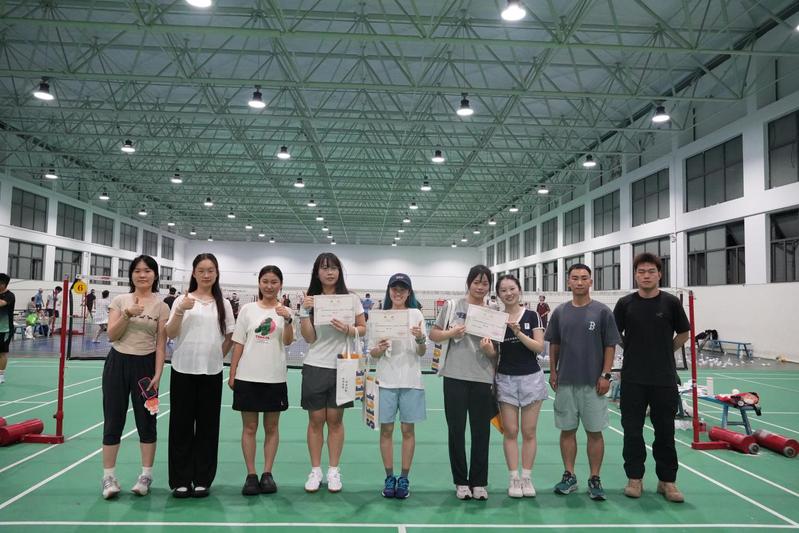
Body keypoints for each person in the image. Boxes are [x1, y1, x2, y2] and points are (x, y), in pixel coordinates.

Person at [613, 253, 690, 503]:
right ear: (635, 275)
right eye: (641, 271)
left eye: (651, 271)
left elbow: (684, 333)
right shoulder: (625, 304)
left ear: (659, 274)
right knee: (632, 432)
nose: (646, 276)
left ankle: (667, 481)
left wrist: (666, 350)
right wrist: (631, 347)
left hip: (664, 379)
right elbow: (614, 333)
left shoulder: (670, 303)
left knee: (665, 432)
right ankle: (634, 478)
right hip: (633, 378)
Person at [545, 263, 620, 501]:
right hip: (566, 382)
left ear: (590, 282)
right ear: (568, 282)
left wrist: (606, 375)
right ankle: (569, 475)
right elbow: (554, 344)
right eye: (575, 278)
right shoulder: (560, 312)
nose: (579, 282)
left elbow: (610, 345)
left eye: (584, 278)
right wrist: (553, 372)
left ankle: (594, 478)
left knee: (594, 432)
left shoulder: (602, 312)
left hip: (593, 384)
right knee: (567, 431)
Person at [166, 253, 235, 498]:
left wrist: (217, 356)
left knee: (208, 427)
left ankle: (203, 479)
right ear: (194, 273)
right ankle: (181, 480)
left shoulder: (223, 303)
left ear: (216, 274)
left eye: (211, 270)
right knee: (180, 426)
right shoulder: (181, 300)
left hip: (211, 373)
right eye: (202, 270)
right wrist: (180, 311)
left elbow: (230, 336)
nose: (206, 275)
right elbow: (170, 333)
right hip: (182, 370)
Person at [100, 255, 168, 500]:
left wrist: (158, 373)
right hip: (117, 364)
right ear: (131, 275)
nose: (142, 275)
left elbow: (160, 344)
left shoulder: (161, 306)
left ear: (155, 275)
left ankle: (145, 476)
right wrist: (127, 314)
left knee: (147, 421)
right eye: (137, 270)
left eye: (147, 270)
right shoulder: (120, 301)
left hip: (146, 367)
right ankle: (108, 477)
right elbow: (112, 335)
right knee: (113, 419)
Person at [428, 265, 496, 501]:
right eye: (476, 282)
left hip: (482, 378)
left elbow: (497, 352)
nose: (480, 287)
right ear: (468, 283)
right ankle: (461, 482)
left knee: (481, 432)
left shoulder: (493, 312)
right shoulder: (452, 306)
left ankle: (479, 482)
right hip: (454, 377)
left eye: (485, 283)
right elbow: (433, 334)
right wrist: (451, 333)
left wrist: (489, 350)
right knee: (456, 431)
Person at [299, 253, 366, 493]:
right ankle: (315, 470)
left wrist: (349, 329)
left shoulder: (352, 299)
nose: (330, 272)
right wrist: (303, 312)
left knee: (336, 421)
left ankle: (334, 470)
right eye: (325, 268)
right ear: (317, 272)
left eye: (334, 268)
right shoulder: (311, 301)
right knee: (316, 420)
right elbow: (309, 338)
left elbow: (363, 328)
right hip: (316, 365)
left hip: (344, 367)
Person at [229, 265, 293, 496]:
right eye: (265, 281)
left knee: (272, 427)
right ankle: (251, 474)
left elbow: (288, 341)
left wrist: (289, 320)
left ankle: (267, 474)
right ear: (259, 283)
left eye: (274, 282)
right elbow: (239, 342)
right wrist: (232, 372)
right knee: (249, 428)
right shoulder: (247, 310)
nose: (269, 286)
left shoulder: (286, 312)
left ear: (280, 285)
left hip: (274, 377)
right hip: (247, 376)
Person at [368, 273, 427, 500]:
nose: (398, 292)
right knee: (386, 431)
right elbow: (372, 353)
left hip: (411, 381)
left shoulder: (416, 314)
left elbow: (421, 352)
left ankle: (404, 478)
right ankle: (389, 477)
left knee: (408, 431)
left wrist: (420, 339)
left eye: (403, 289)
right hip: (385, 381)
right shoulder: (379, 317)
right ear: (389, 291)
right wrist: (379, 348)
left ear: (409, 292)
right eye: (395, 288)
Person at [489, 274, 546, 498]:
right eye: (503, 290)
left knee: (529, 431)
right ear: (498, 295)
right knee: (510, 431)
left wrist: (518, 332)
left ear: (519, 290)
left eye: (512, 288)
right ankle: (514, 478)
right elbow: (494, 353)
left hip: (531, 378)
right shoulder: (496, 319)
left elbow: (539, 347)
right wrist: (487, 351)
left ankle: (527, 478)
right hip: (506, 379)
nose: (508, 293)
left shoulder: (532, 315)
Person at [0, 273, 16, 385]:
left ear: (3, 284)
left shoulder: (10, 296)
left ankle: (1, 376)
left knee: (2, 352)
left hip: (5, 329)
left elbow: (1, 303)